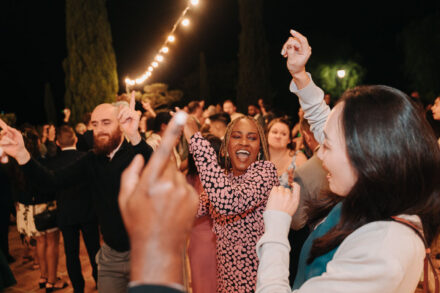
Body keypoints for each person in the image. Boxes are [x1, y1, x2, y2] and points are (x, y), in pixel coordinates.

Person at [255, 29, 440, 293]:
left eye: (327, 146)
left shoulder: (384, 249)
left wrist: (275, 226)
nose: (319, 154)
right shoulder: (376, 199)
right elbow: (326, 123)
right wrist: (300, 75)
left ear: (366, 156)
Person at [0, 93, 153, 293]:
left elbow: (158, 170)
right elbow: (51, 180)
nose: (99, 130)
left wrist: (135, 136)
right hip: (110, 256)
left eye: (106, 122)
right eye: (95, 124)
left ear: (122, 123)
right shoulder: (91, 160)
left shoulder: (136, 152)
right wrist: (22, 154)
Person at [182, 113, 278, 292]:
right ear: (225, 147)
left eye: (252, 138)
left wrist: (196, 140)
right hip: (226, 285)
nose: (244, 142)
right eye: (236, 136)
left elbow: (229, 203)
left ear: (260, 148)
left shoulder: (265, 173)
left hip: (257, 286)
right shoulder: (226, 180)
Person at [46, 125, 100, 293]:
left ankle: (78, 288)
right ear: (76, 140)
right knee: (94, 250)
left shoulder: (52, 163)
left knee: (71, 254)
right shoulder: (86, 158)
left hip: (66, 214)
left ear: (58, 143)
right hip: (88, 212)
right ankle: (99, 281)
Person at [266, 117, 307, 190]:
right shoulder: (257, 157)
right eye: (274, 132)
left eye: (283, 134)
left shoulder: (298, 158)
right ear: (267, 135)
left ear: (289, 140)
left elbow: (309, 189)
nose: (278, 136)